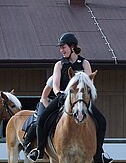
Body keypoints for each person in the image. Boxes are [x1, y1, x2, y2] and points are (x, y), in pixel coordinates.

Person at [27, 32, 113, 163]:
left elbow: (89, 83)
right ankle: (39, 150)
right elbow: (55, 84)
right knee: (42, 119)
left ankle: (99, 152)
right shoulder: (59, 64)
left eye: (63, 47)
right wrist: (58, 94)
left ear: (72, 47)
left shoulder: (85, 63)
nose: (61, 50)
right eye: (60, 48)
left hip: (81, 99)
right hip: (63, 97)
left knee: (101, 121)